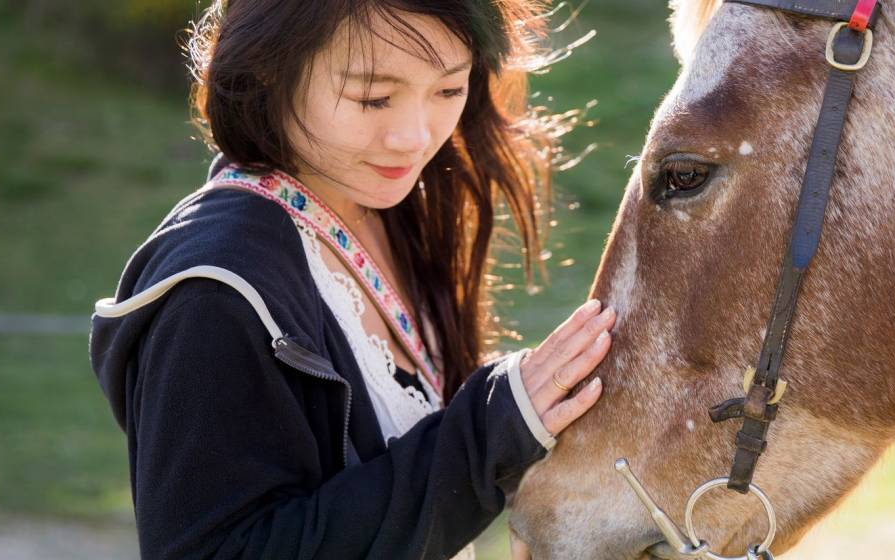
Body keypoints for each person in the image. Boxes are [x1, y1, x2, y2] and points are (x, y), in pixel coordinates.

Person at [87, 1, 613, 558]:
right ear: (270, 69)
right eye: (374, 97)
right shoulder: (214, 293)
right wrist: (490, 432)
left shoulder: (390, 207)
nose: (413, 136)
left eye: (448, 90)